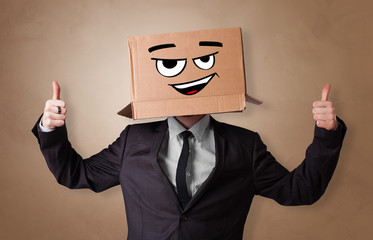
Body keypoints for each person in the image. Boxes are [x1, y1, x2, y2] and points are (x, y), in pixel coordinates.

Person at [32, 81, 346, 240]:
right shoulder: (133, 140)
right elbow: (75, 175)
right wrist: (51, 130)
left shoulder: (243, 145)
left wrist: (326, 134)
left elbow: (300, 190)